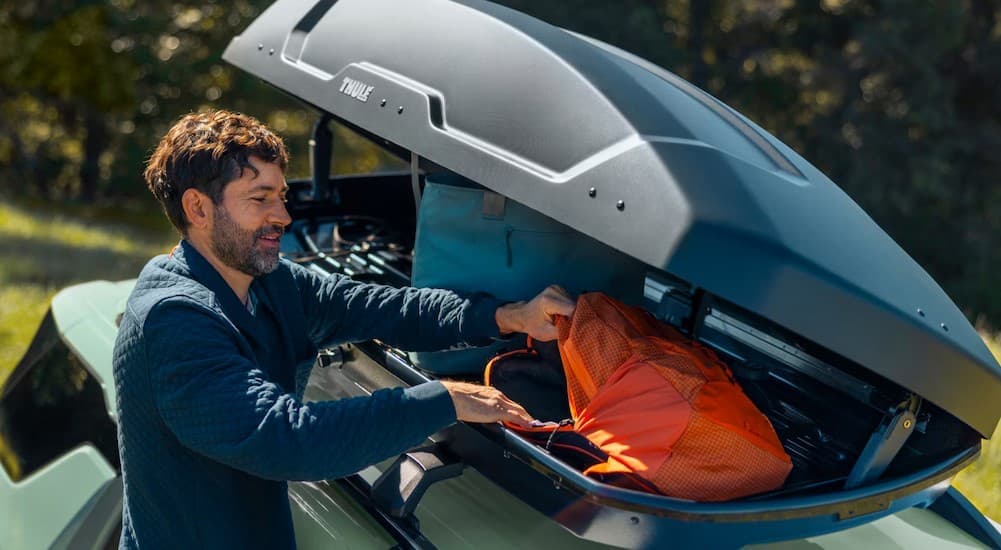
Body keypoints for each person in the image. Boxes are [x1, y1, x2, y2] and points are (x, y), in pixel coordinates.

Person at [112, 110, 575, 549]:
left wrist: (510, 317)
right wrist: (444, 399)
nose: (283, 217)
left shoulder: (270, 284)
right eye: (259, 199)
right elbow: (289, 439)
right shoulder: (173, 322)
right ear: (198, 208)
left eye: (281, 196)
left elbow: (382, 308)